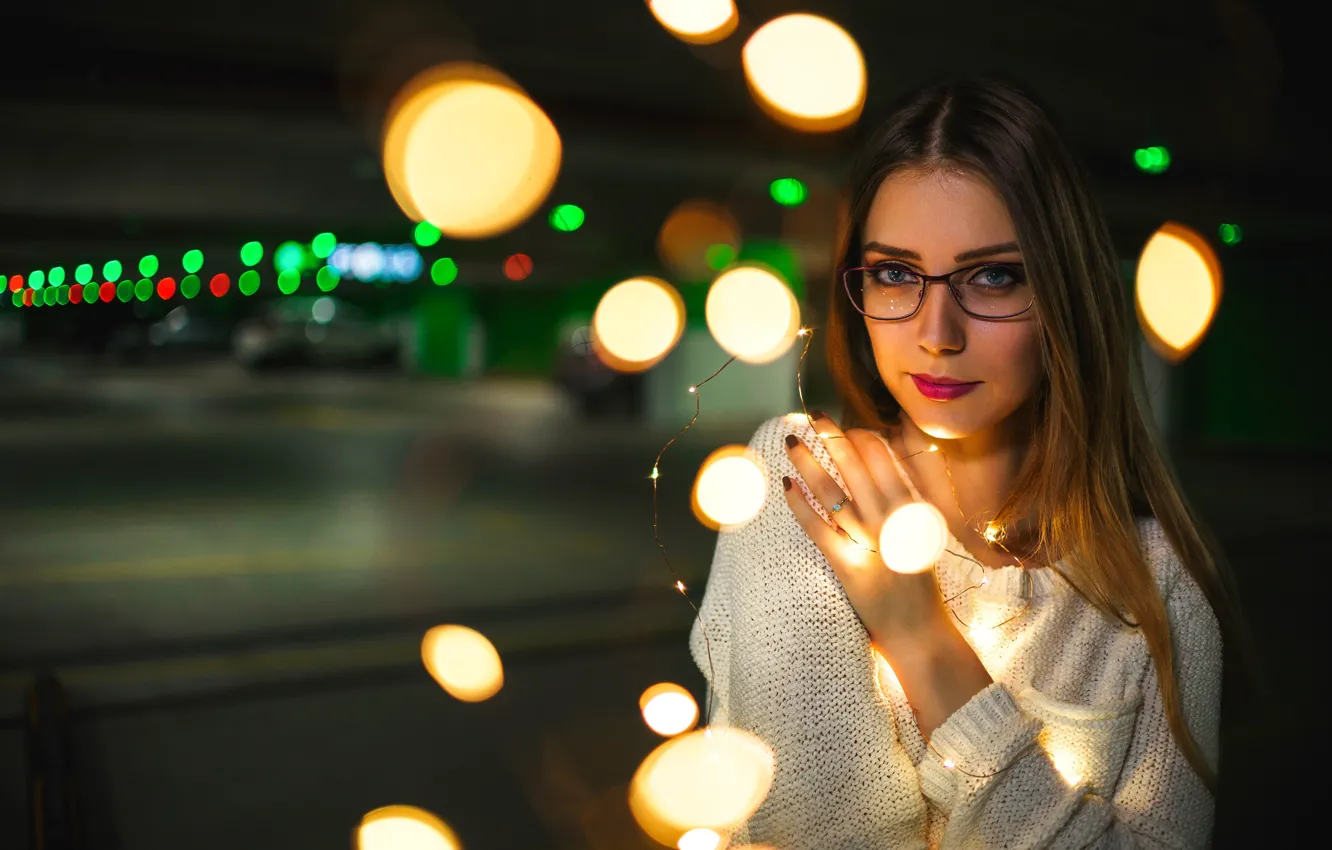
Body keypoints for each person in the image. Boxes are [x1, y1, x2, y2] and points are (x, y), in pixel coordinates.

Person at [689, 78, 1257, 849]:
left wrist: (924, 640)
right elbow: (814, 832)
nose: (937, 333)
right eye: (895, 273)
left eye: (994, 276)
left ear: (1064, 294)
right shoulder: (809, 484)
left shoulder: (1156, 590)